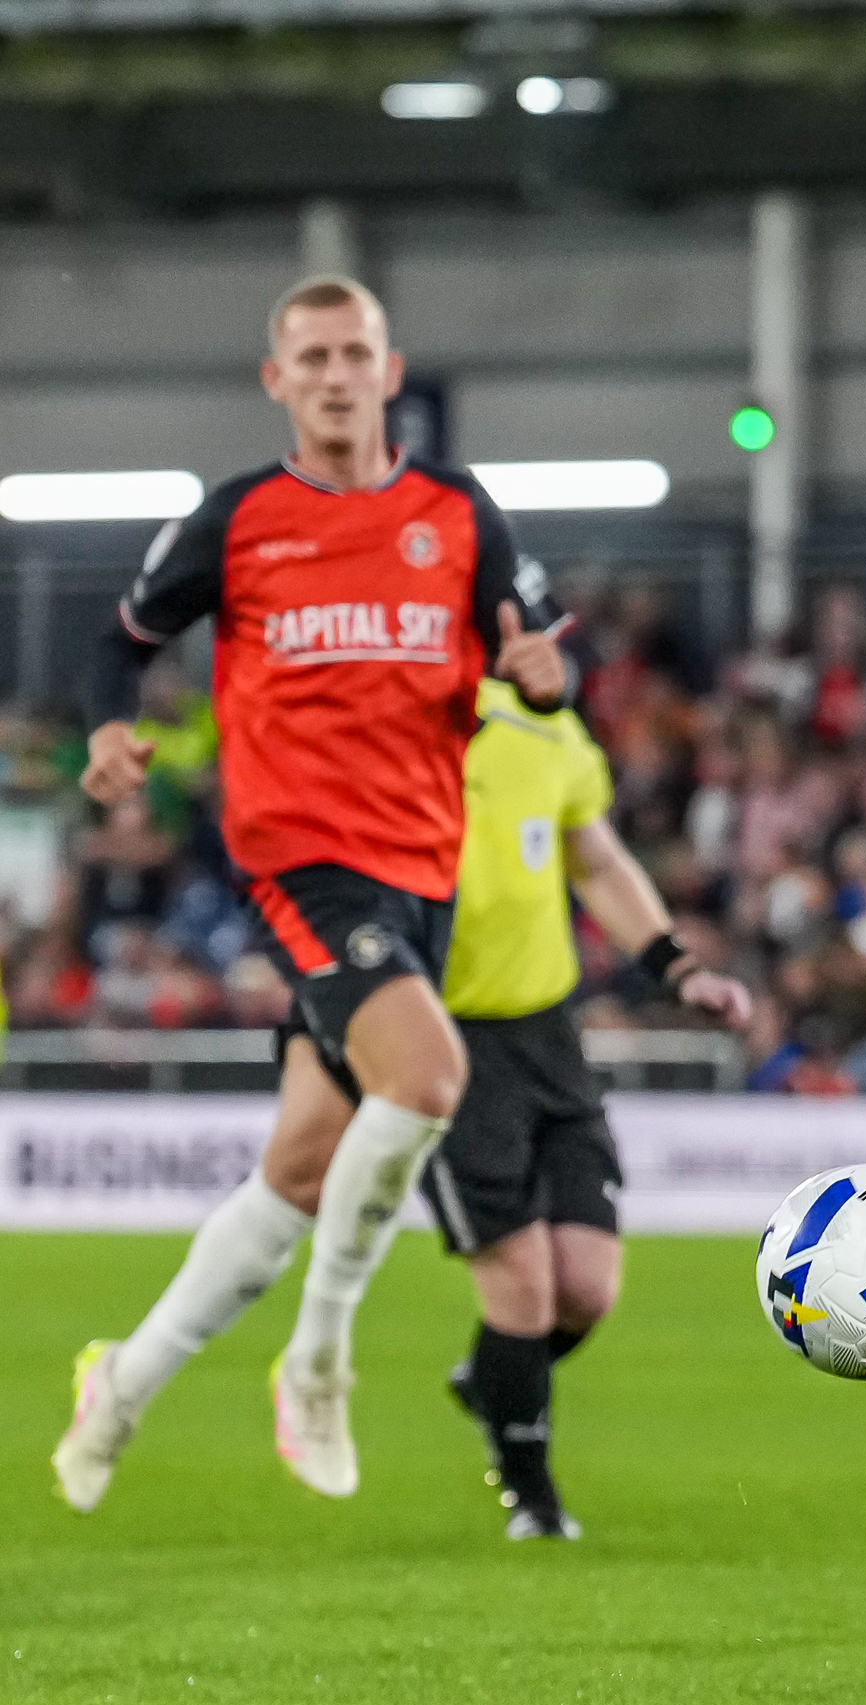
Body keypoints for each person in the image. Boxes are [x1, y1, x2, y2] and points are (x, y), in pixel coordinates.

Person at [52, 274, 573, 1512]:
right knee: (430, 1076)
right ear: (276, 380)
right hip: (299, 861)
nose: (337, 375)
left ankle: (121, 1382)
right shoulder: (236, 520)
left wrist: (545, 679)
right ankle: (320, 1361)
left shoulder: (458, 514)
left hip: (419, 868)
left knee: (300, 1168)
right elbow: (117, 640)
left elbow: (537, 661)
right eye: (313, 357)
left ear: (391, 374)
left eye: (356, 354)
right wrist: (109, 731)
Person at [431, 673, 753, 1540]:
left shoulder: (548, 731)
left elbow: (598, 860)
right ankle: (533, 1499)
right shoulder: (396, 725)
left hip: (546, 1032)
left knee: (587, 1288)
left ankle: (495, 1380)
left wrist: (679, 970)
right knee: (524, 1287)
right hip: (443, 1040)